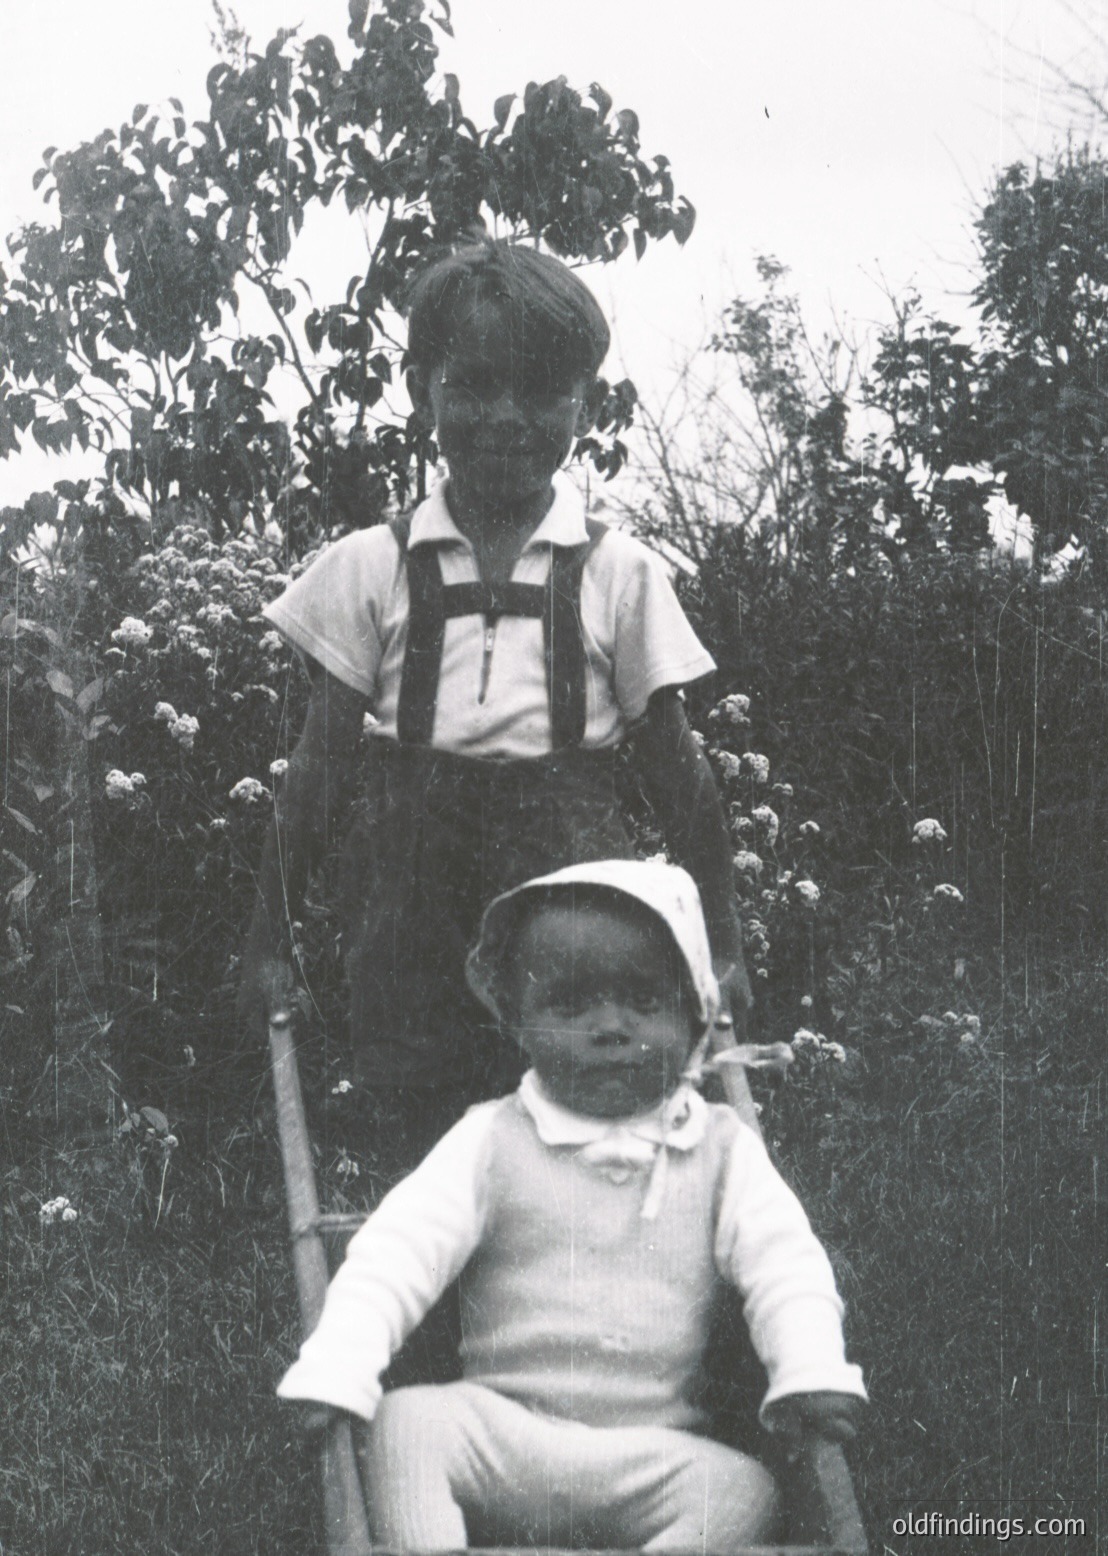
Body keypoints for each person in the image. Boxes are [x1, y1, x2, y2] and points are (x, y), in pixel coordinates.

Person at [239, 236, 751, 1171]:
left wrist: (720, 944)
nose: (507, 417)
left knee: (580, 1128)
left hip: (573, 901)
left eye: (541, 390)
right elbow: (318, 770)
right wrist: (269, 940)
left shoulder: (620, 575)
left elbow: (680, 777)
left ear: (584, 404)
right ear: (421, 388)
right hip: (408, 901)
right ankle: (431, 1262)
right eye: (474, 386)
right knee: (423, 1137)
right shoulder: (370, 567)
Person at [277, 859, 867, 1551]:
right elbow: (397, 1251)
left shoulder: (721, 1151)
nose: (610, 1026)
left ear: (696, 1017)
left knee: (744, 1491)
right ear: (519, 1024)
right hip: (505, 1436)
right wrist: (341, 1362)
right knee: (406, 1425)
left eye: (644, 1003)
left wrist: (808, 1368)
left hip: (651, 1450)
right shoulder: (492, 1139)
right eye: (568, 1006)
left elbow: (785, 1267)